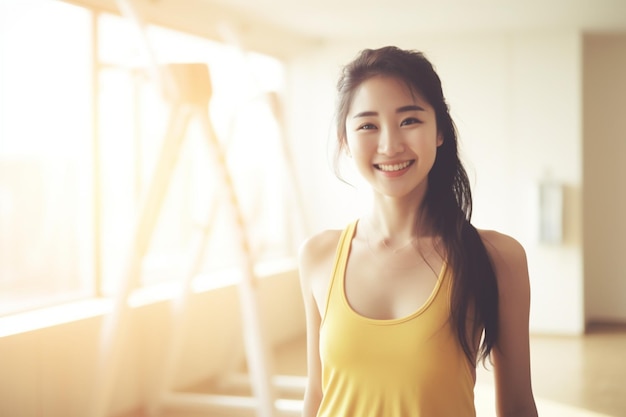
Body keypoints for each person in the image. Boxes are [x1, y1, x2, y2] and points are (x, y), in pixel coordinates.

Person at [298, 46, 538, 417]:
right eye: (367, 125)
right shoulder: (318, 255)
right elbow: (317, 395)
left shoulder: (497, 257)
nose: (390, 145)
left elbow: (519, 408)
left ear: (440, 130)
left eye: (409, 121)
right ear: (345, 141)